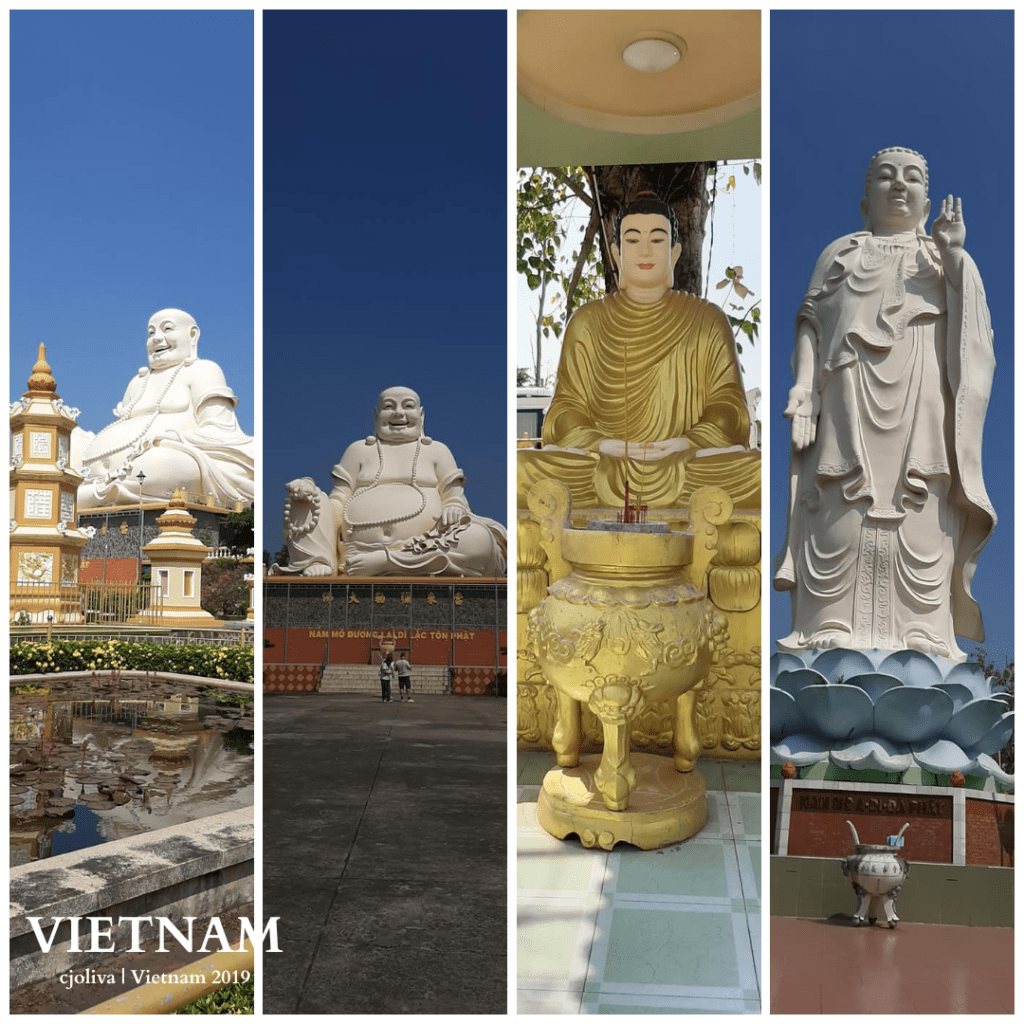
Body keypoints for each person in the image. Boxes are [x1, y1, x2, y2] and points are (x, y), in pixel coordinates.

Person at [774, 148, 996, 662]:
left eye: (912, 178)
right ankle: (828, 622)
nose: (899, 186)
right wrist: (805, 388)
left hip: (921, 402)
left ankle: (923, 629)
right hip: (845, 398)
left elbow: (976, 341)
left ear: (926, 198)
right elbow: (810, 324)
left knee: (922, 503)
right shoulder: (841, 252)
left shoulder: (943, 258)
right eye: (885, 178)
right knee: (839, 501)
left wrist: (956, 257)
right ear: (864, 201)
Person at [517, 193, 760, 510]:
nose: (645, 250)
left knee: (756, 472)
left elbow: (731, 409)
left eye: (657, 240)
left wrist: (686, 442)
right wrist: (606, 445)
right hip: (605, 464)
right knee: (522, 470)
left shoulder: (707, 319)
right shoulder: (588, 322)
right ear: (616, 253)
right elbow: (563, 413)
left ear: (674, 253)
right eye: (633, 240)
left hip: (683, 464)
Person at [274, 386, 506, 577]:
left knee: (479, 539)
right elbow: (338, 502)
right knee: (306, 499)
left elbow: (455, 498)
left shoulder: (436, 451)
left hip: (425, 546)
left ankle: (387, 562)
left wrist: (454, 508)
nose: (398, 413)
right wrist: (310, 492)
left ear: (421, 415)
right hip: (356, 551)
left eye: (408, 406)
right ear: (376, 416)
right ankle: (321, 560)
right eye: (388, 407)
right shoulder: (358, 450)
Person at [77, 309, 255, 510]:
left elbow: (222, 431)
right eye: (151, 333)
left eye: (167, 329)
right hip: (110, 470)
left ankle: (85, 495)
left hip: (163, 460)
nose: (156, 338)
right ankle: (95, 490)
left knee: (162, 463)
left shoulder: (203, 370)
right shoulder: (137, 382)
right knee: (70, 443)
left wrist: (171, 438)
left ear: (192, 335)